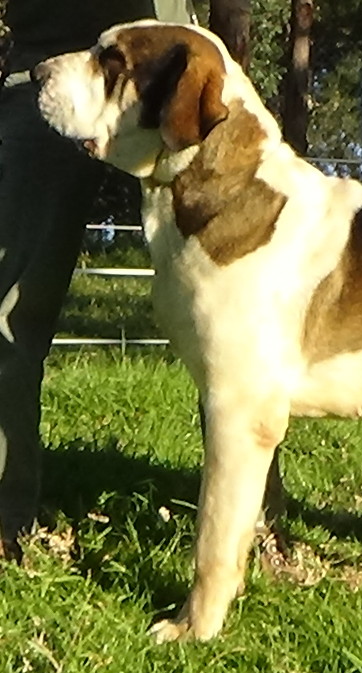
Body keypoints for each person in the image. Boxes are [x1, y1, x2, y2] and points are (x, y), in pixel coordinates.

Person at [0, 0, 195, 559]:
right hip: (48, 73)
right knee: (9, 313)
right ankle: (5, 517)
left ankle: (256, 520)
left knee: (239, 319)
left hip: (177, 74)